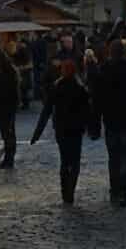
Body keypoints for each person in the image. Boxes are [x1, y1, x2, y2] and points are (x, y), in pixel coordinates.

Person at [31, 59, 92, 204]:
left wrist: (37, 134)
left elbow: (46, 111)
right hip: (76, 130)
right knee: (75, 161)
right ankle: (70, 189)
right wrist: (91, 128)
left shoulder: (57, 87)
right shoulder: (80, 88)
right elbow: (88, 111)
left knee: (65, 161)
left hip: (62, 129)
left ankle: (66, 193)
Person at [92, 35, 126, 206]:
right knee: (125, 158)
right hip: (125, 119)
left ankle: (114, 190)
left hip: (110, 120)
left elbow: (97, 98)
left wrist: (96, 120)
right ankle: (123, 192)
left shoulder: (104, 69)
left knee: (113, 158)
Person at [0, 49, 20, 168]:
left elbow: (8, 91)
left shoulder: (8, 73)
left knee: (7, 133)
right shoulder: (9, 71)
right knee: (8, 133)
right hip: (7, 106)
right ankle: (9, 158)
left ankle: (9, 159)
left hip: (7, 107)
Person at [13, 38, 33, 109]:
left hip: (24, 73)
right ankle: (24, 104)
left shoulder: (24, 51)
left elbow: (30, 64)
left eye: (18, 42)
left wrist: (20, 67)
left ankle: (24, 104)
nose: (17, 44)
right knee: (23, 89)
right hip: (23, 73)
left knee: (23, 89)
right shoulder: (20, 51)